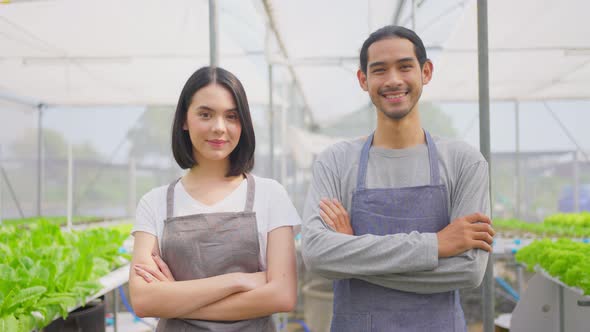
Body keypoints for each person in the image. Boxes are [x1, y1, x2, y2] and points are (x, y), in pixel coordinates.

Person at [301, 25, 496, 332]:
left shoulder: (465, 162)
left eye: (405, 67)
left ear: (426, 72)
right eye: (379, 70)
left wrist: (351, 253)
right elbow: (317, 254)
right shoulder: (336, 162)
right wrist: (435, 245)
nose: (393, 80)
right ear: (363, 80)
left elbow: (468, 271)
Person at [129, 66, 300, 331]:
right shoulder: (155, 202)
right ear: (184, 120)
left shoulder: (271, 195)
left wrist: (175, 297)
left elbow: (282, 295)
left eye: (232, 116)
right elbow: (142, 300)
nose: (219, 128)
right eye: (206, 114)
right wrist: (238, 281)